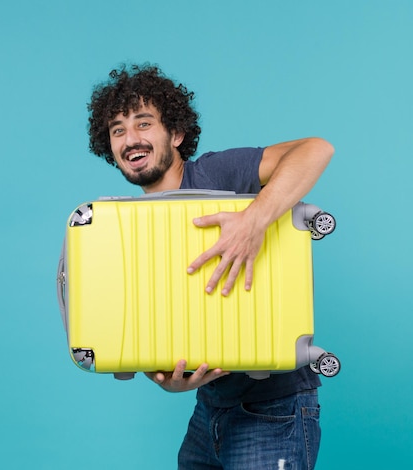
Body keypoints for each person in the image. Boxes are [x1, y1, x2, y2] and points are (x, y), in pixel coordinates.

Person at [86, 64, 334, 470]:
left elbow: (316, 149)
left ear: (177, 134)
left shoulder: (217, 174)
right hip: (209, 412)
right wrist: (163, 378)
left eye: (143, 123)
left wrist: (255, 219)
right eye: (117, 130)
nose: (130, 139)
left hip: (274, 411)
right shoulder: (128, 225)